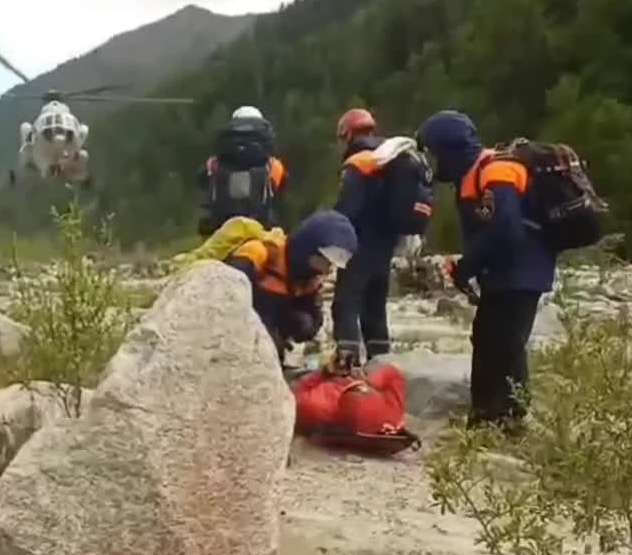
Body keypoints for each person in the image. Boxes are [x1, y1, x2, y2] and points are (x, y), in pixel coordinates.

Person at [415, 109, 556, 432]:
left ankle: (508, 419)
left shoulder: (497, 170)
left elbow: (504, 228)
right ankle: (486, 416)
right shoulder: (474, 173)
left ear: (447, 150)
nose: (432, 163)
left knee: (506, 342)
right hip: (506, 273)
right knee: (488, 337)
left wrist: (467, 266)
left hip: (521, 272)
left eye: (433, 153)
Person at [329, 108, 435, 370]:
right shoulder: (392, 158)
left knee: (345, 304)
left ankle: (347, 367)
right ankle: (381, 367)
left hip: (359, 245)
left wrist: (331, 239)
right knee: (375, 309)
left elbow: (347, 210)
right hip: (386, 245)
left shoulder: (358, 163)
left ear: (347, 134)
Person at [224, 209, 358, 364]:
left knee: (304, 324)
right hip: (240, 329)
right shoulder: (261, 252)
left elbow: (312, 323)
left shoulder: (311, 278)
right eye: (327, 261)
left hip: (271, 334)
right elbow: (226, 291)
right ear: (311, 249)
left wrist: (303, 325)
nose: (329, 269)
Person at [196, 106, 289, 237]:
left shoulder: (213, 163)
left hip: (221, 232)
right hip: (261, 232)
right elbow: (282, 199)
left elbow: (201, 184)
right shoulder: (274, 165)